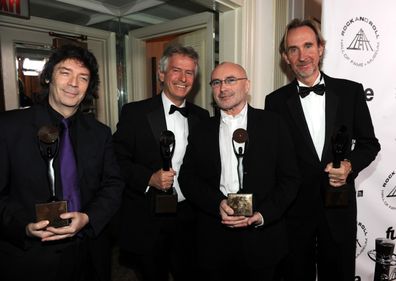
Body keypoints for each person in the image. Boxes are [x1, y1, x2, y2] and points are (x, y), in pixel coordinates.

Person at [265, 18, 381, 281]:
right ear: (285, 57)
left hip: (338, 207)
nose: (302, 55)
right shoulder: (275, 102)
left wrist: (349, 165)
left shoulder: (350, 92)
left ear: (321, 48)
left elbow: (369, 144)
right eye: (293, 49)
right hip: (294, 211)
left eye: (308, 46)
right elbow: (275, 158)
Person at [0, 45, 124, 281]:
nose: (74, 83)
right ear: (48, 76)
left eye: (83, 77)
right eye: (65, 72)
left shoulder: (100, 133)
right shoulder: (8, 127)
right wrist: (23, 227)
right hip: (29, 259)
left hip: (88, 253)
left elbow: (113, 184)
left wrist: (88, 218)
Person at [178, 62, 301, 281]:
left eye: (231, 80)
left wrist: (262, 215)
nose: (223, 88)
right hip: (214, 238)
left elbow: (290, 179)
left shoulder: (274, 124)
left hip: (263, 239)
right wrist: (218, 203)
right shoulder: (201, 128)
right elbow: (188, 179)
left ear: (247, 86)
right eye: (216, 82)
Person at [112, 44, 209, 281]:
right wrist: (148, 178)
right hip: (147, 216)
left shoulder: (202, 117)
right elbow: (116, 160)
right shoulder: (134, 113)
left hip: (188, 216)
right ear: (162, 74)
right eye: (177, 70)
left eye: (189, 73)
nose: (183, 78)